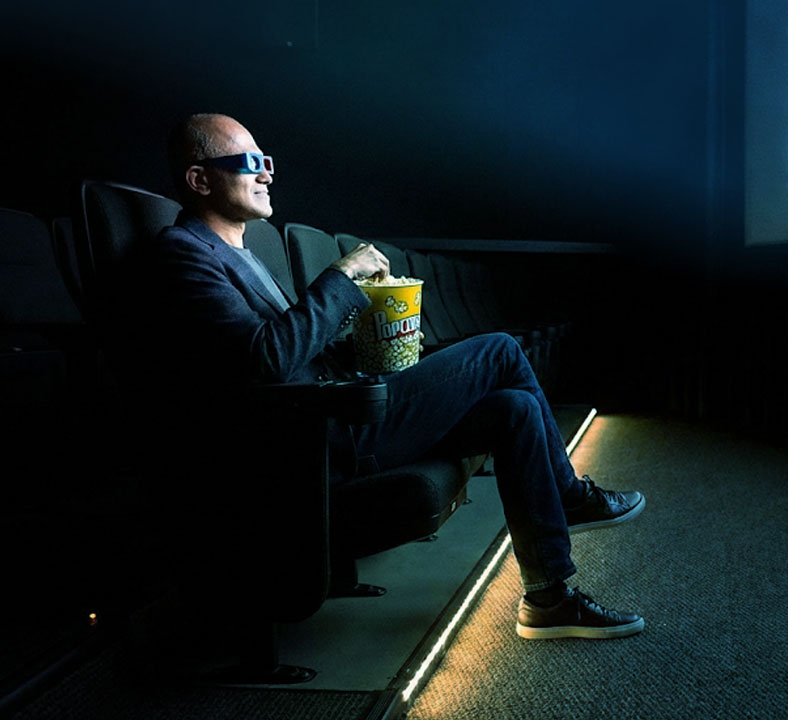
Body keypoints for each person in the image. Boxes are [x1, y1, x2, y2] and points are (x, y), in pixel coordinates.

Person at [129, 112, 645, 640]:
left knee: (515, 409)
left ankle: (548, 597)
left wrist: (376, 341)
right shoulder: (183, 254)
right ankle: (570, 495)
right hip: (321, 442)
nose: (266, 173)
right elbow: (266, 360)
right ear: (199, 179)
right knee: (500, 350)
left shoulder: (241, 252)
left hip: (340, 413)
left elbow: (295, 350)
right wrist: (340, 276)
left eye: (267, 161)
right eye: (249, 162)